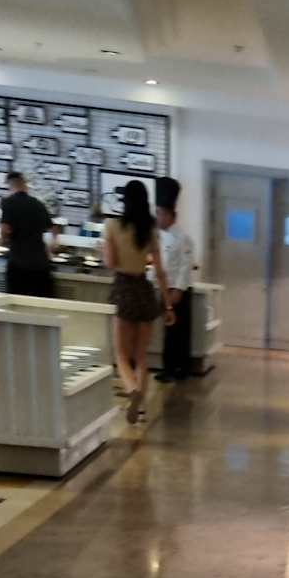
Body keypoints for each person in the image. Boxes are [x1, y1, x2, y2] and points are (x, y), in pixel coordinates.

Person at [102, 179, 175, 424]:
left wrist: (105, 248)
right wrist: (168, 305)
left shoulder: (112, 226)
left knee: (122, 355)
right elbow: (161, 271)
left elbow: (110, 263)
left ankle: (132, 389)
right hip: (144, 290)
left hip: (123, 289)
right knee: (141, 355)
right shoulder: (150, 230)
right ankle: (141, 407)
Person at [153, 177, 195, 383]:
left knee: (179, 331)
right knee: (168, 331)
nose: (158, 217)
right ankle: (168, 368)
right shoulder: (156, 236)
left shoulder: (183, 238)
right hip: (163, 288)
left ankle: (181, 369)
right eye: (157, 213)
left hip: (178, 290)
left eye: (161, 213)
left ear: (171, 215)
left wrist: (178, 289)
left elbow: (186, 265)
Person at [0, 172, 56, 297]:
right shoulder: (38, 204)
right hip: (40, 263)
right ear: (25, 185)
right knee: (41, 302)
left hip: (18, 263)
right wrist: (52, 245)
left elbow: (4, 229)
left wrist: (3, 241)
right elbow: (54, 229)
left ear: (10, 186)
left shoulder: (8, 202)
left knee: (15, 301)